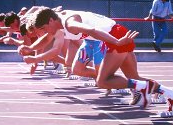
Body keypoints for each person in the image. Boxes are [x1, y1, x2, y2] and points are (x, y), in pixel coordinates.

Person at [20, 8, 173, 112]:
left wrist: (117, 42)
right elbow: (47, 38)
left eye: (45, 29)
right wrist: (30, 49)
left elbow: (92, 30)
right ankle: (167, 93)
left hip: (115, 37)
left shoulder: (69, 23)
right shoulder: (59, 20)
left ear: (51, 21)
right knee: (134, 78)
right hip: (116, 34)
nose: (46, 33)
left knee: (103, 81)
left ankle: (148, 89)